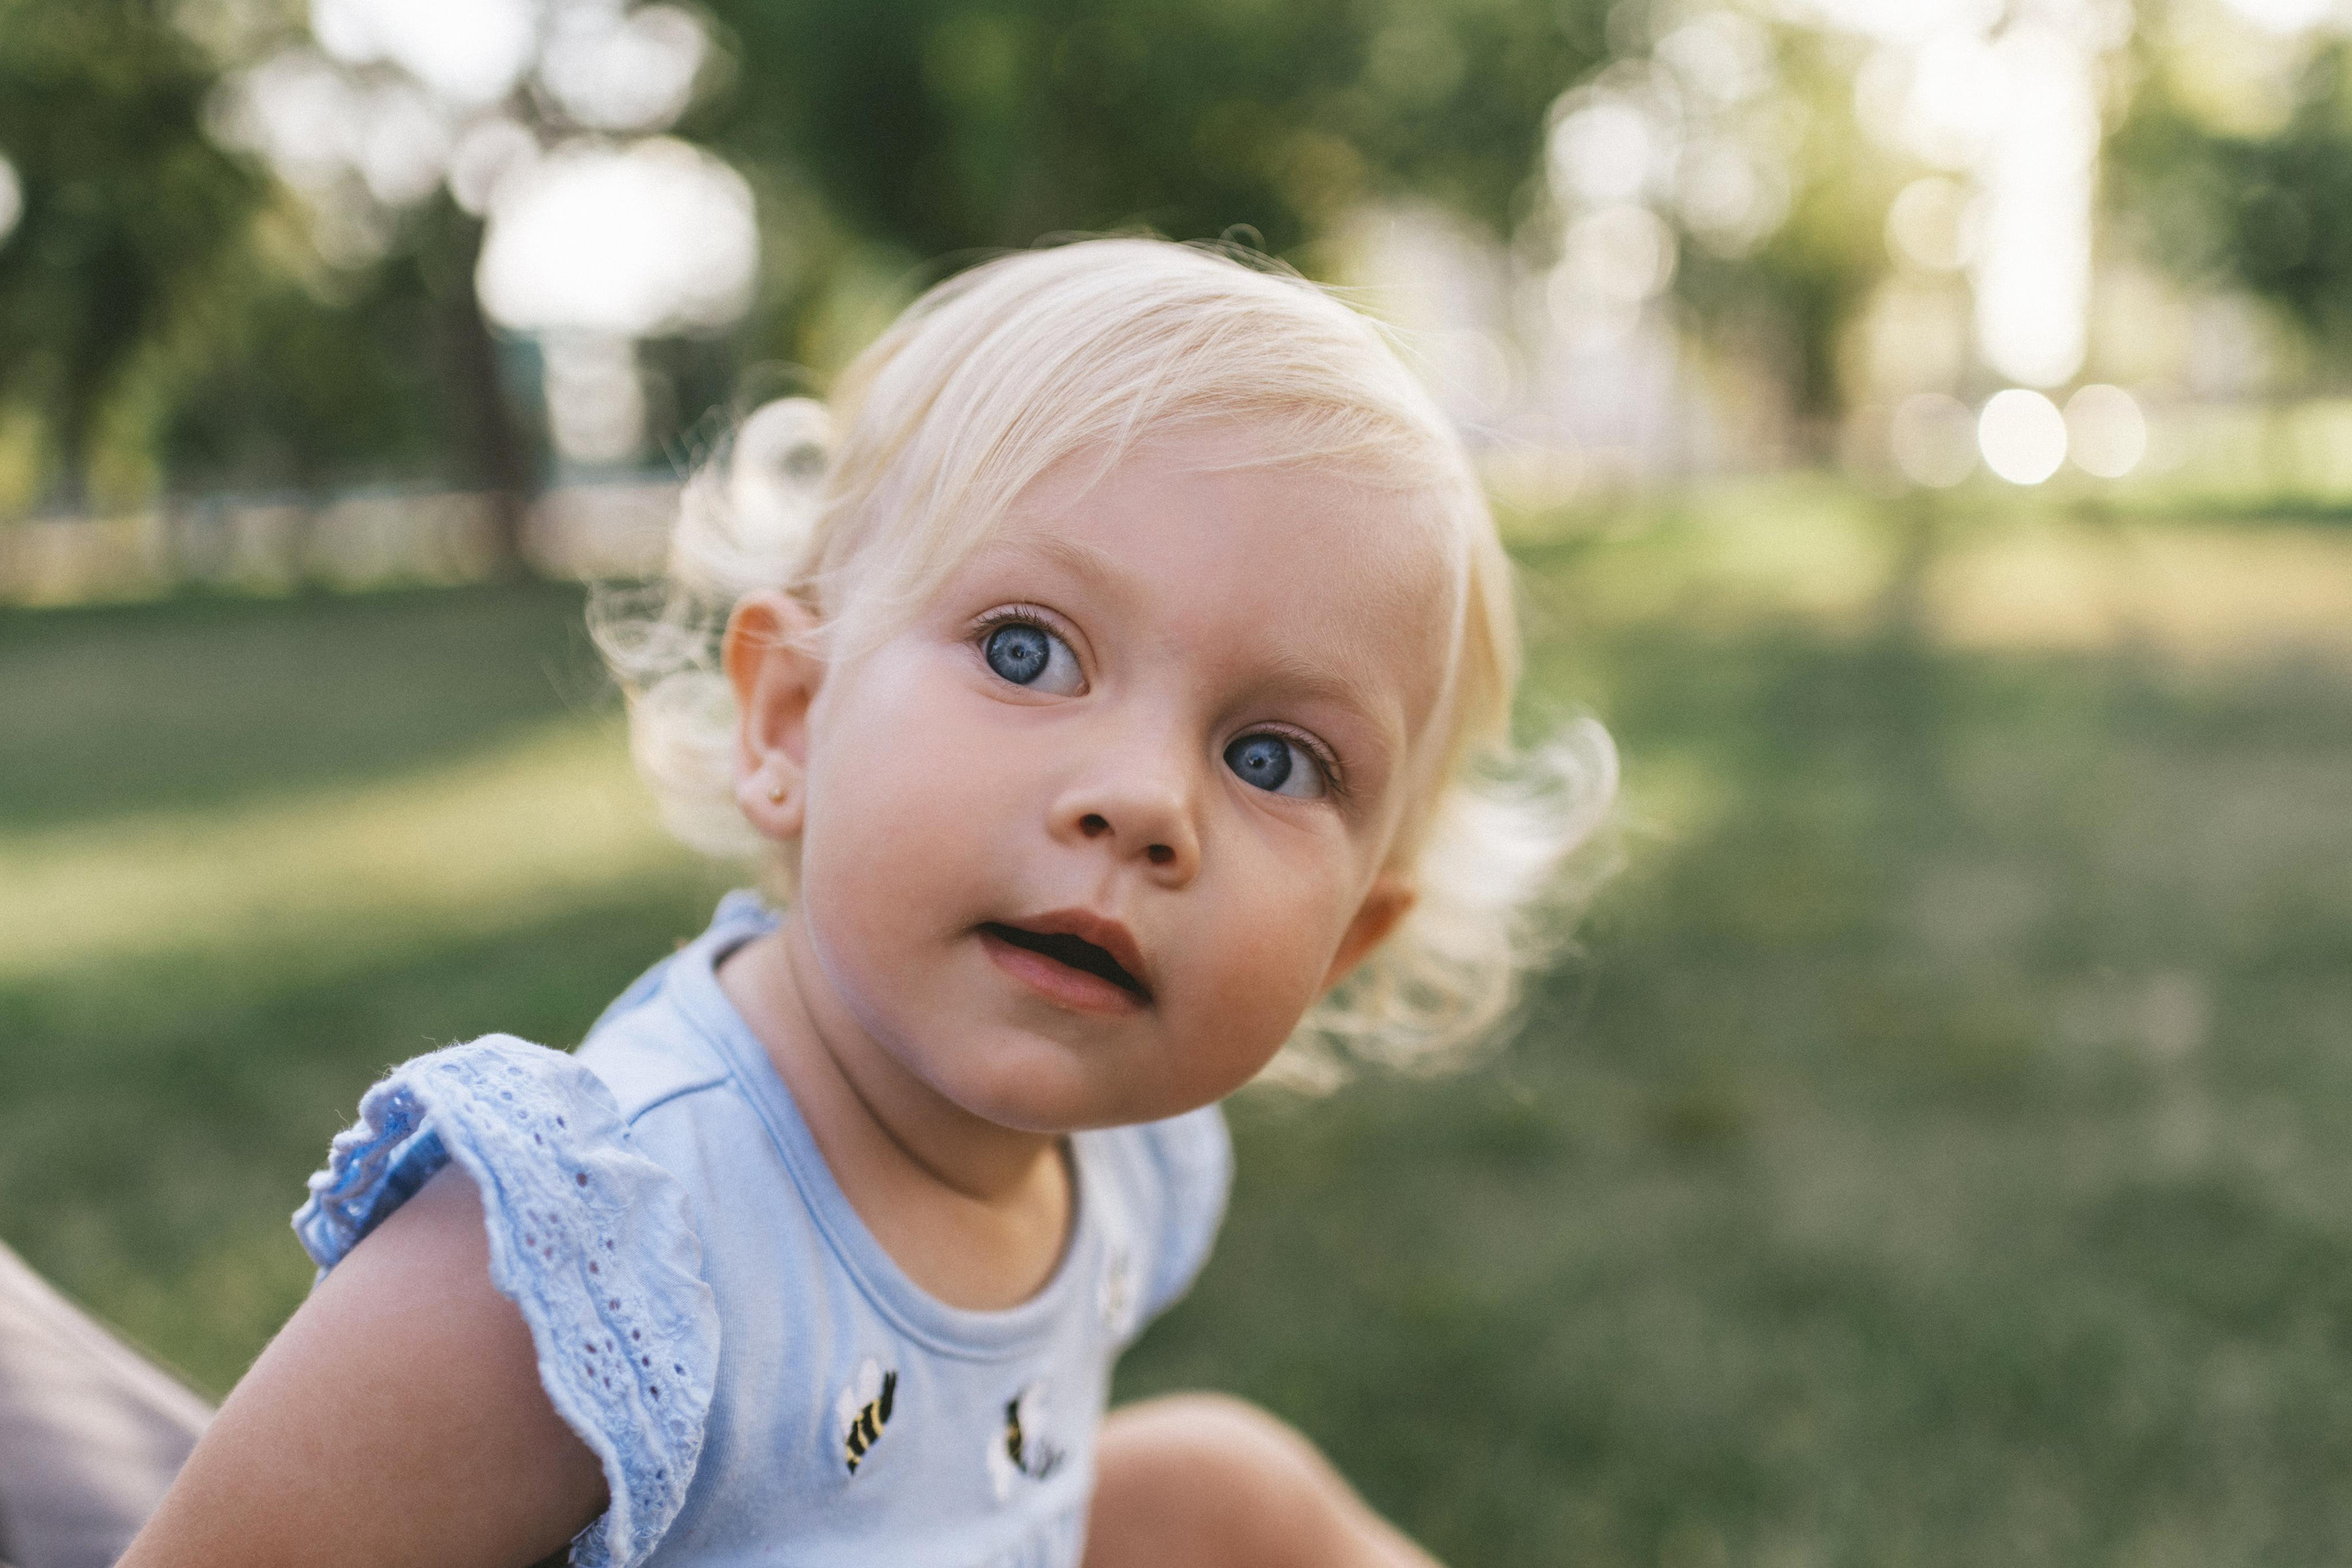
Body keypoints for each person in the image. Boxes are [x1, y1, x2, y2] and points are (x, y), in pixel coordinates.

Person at [111, 238, 1614, 1568]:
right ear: (789, 725)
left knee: (1233, 1496)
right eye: (1029, 652)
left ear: (1345, 945)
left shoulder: (1126, 1168)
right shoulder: (579, 1268)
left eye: (1274, 757)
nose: (1149, 801)